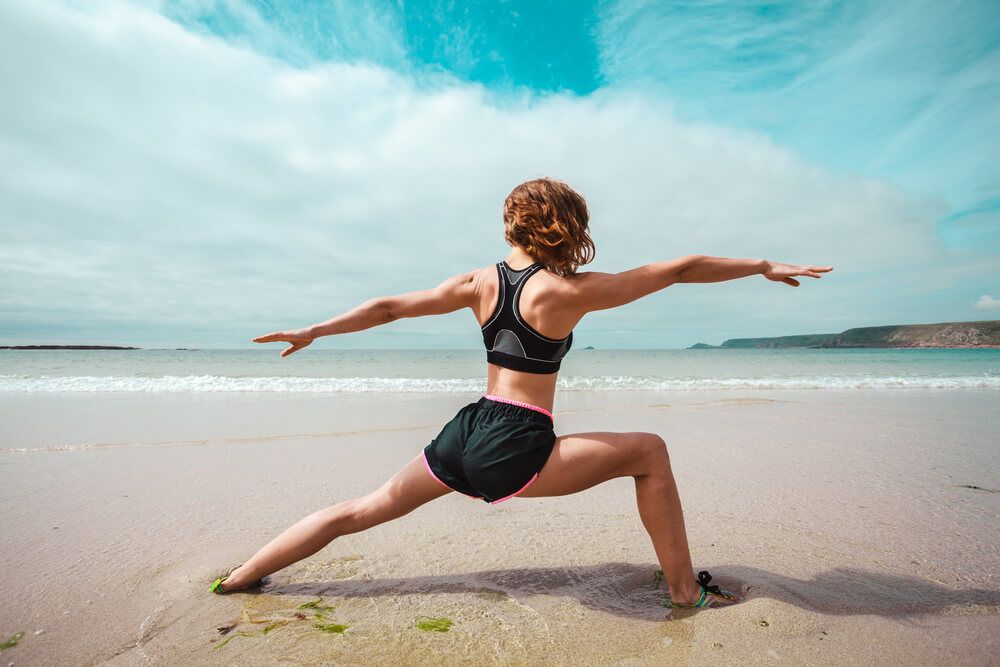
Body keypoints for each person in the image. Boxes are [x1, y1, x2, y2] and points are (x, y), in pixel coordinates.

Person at [212, 177, 832, 609]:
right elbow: (677, 268)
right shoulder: (570, 292)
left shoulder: (477, 282)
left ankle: (240, 578)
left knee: (359, 511)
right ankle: (682, 592)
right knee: (650, 451)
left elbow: (387, 307)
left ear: (512, 224)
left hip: (466, 433)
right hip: (516, 442)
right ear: (567, 226)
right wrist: (761, 265)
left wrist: (316, 330)